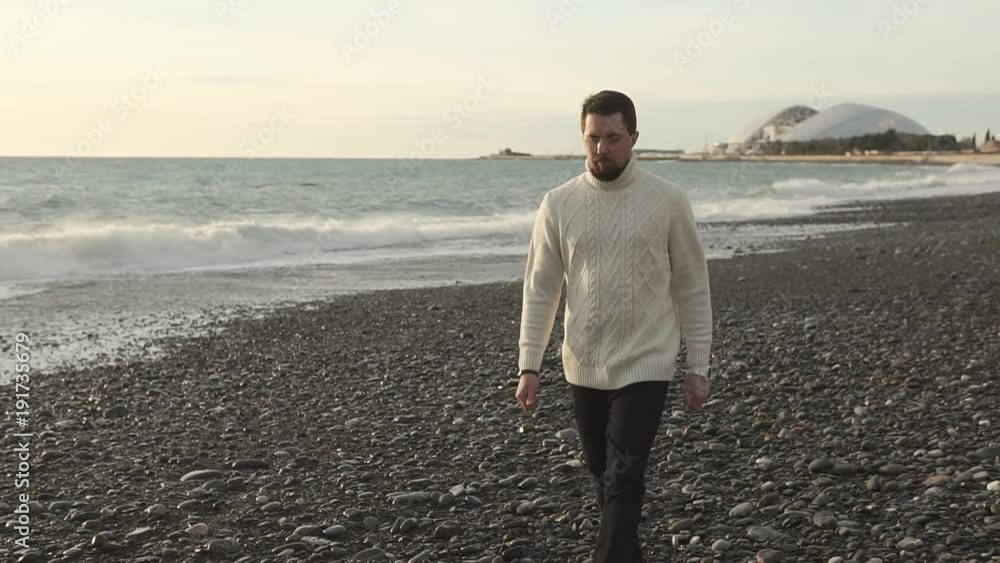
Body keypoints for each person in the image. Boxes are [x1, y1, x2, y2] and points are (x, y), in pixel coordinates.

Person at [514, 90, 713, 563]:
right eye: (592, 138)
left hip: (647, 358)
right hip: (584, 360)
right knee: (602, 472)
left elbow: (692, 284)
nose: (601, 149)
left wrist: (698, 364)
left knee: (625, 475)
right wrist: (529, 365)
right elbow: (541, 289)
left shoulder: (668, 200)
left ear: (634, 137)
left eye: (612, 137)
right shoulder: (558, 203)